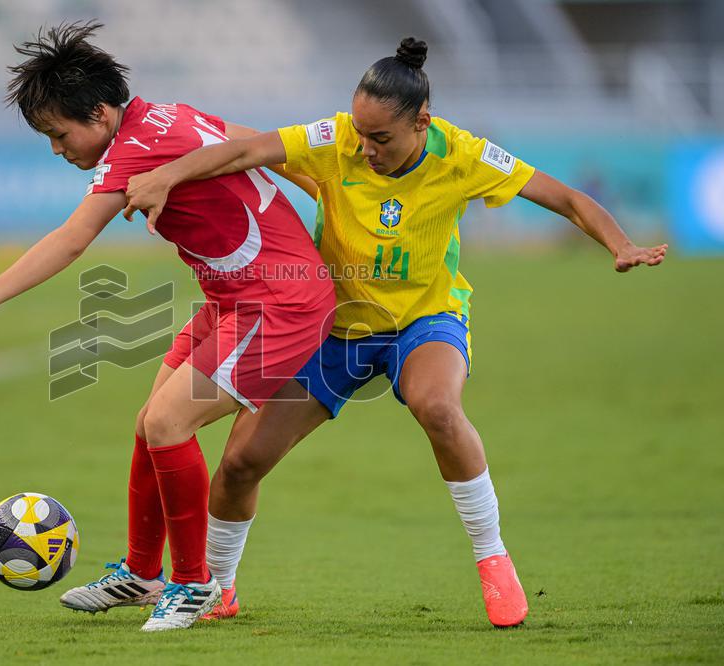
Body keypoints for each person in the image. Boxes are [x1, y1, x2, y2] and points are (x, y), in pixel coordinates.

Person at [123, 37, 668, 627]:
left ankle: (492, 556)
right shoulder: (335, 141)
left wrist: (620, 244)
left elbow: (563, 197)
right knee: (240, 464)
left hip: (424, 320)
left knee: (436, 405)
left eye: (380, 138)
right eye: (360, 132)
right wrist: (167, 177)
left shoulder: (464, 155)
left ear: (422, 124)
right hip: (335, 328)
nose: (365, 147)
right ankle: (218, 590)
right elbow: (245, 151)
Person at [0, 22, 334, 631]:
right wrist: (324, 190)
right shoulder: (165, 116)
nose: (57, 150)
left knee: (170, 424)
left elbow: (71, 240)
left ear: (100, 111)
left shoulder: (136, 148)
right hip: (233, 298)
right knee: (149, 427)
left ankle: (193, 585)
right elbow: (261, 142)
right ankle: (142, 574)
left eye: (60, 135)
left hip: (278, 303)